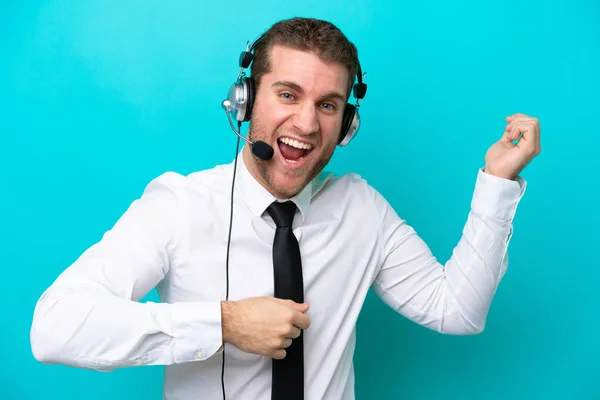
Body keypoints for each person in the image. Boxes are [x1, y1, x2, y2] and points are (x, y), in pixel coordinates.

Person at [30, 16, 541, 400]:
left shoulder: (362, 208)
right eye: (288, 94)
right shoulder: (179, 206)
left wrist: (498, 181)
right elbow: (55, 328)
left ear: (346, 125)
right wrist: (223, 323)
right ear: (245, 100)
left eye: (327, 105)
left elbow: (457, 311)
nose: (307, 123)